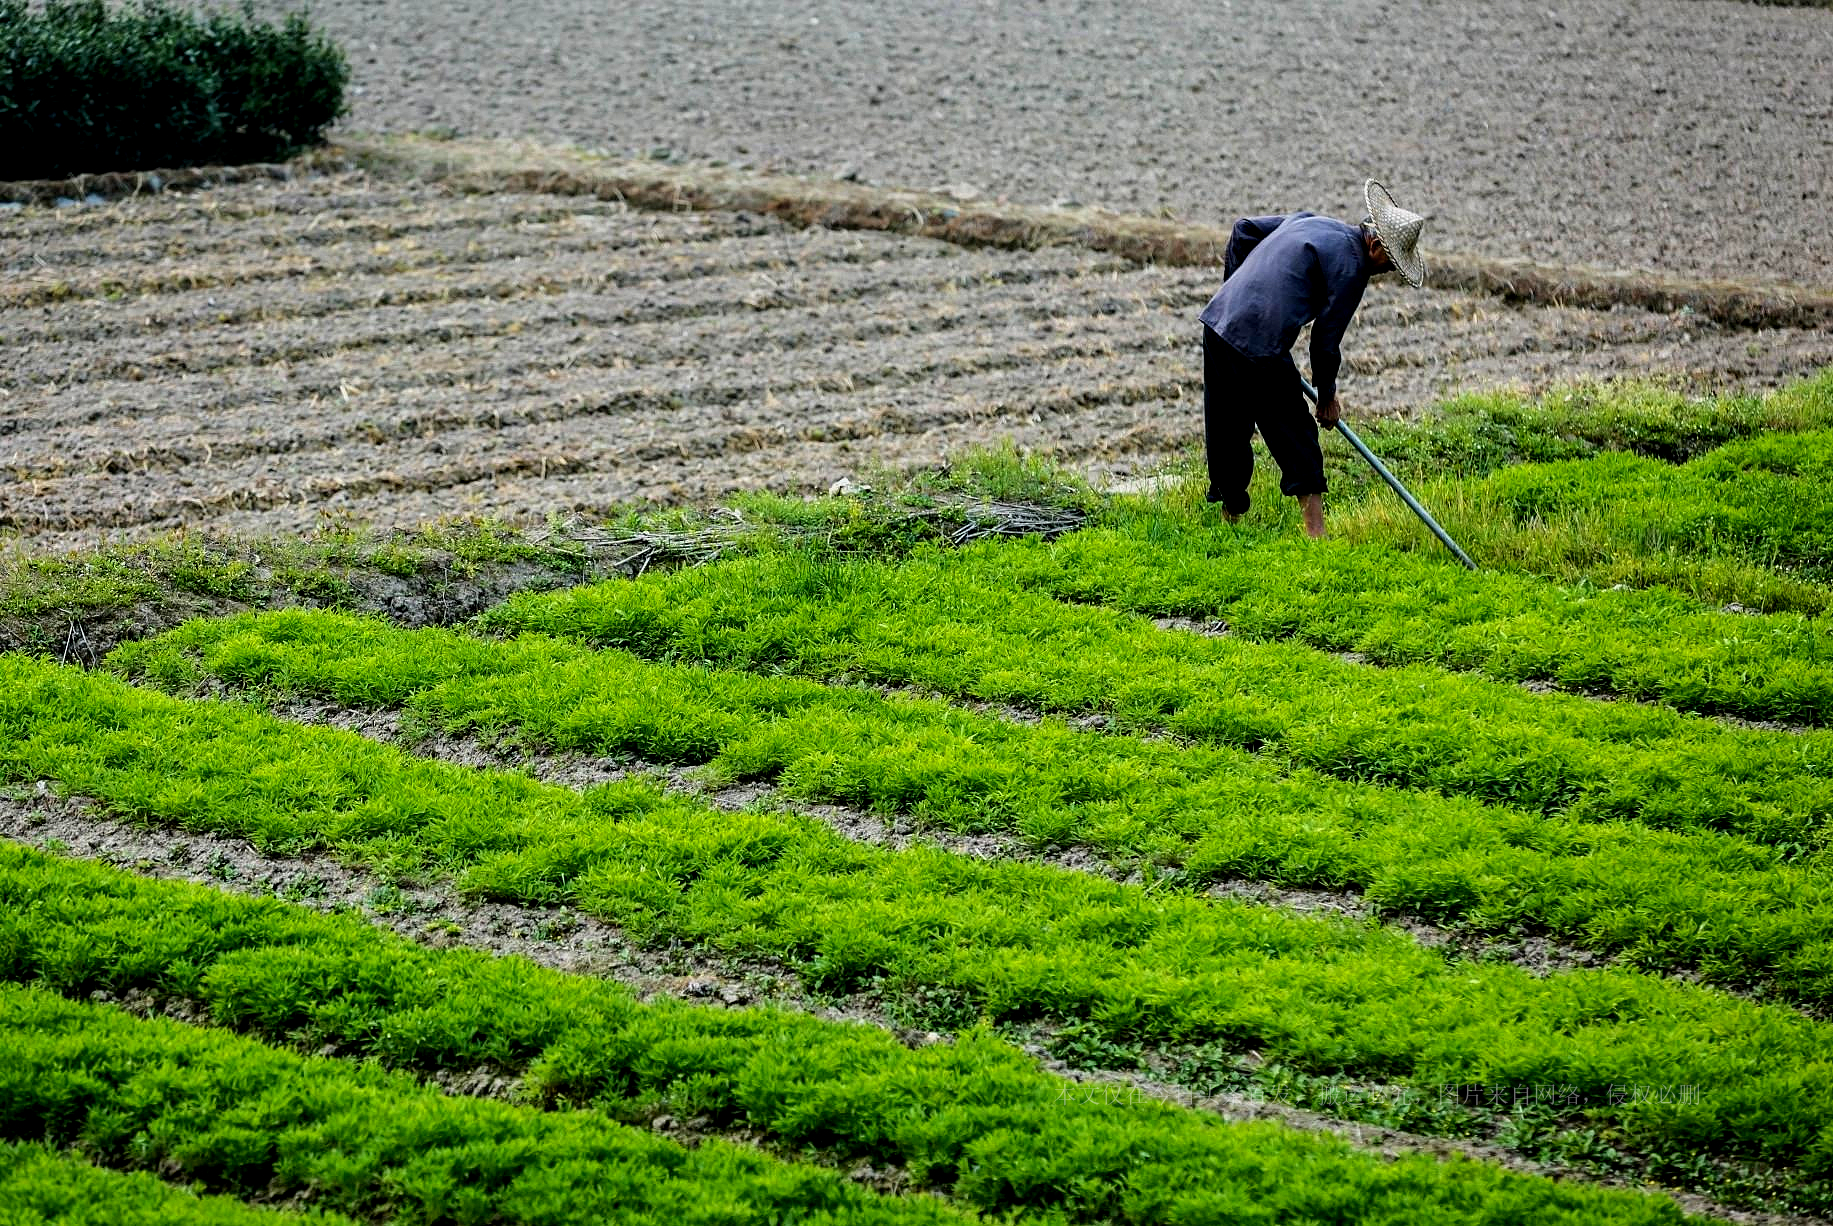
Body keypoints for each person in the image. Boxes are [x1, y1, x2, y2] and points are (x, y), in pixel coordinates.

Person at [1197, 179, 1425, 538]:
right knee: (1295, 431)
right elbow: (1325, 341)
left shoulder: (1311, 221)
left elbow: (1242, 230)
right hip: (1260, 340)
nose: (1389, 271)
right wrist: (1328, 397)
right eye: (1392, 262)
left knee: (1228, 424)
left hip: (1218, 324)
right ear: (1377, 245)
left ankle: (1230, 521)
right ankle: (1315, 535)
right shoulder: (1354, 267)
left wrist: (1232, 292)